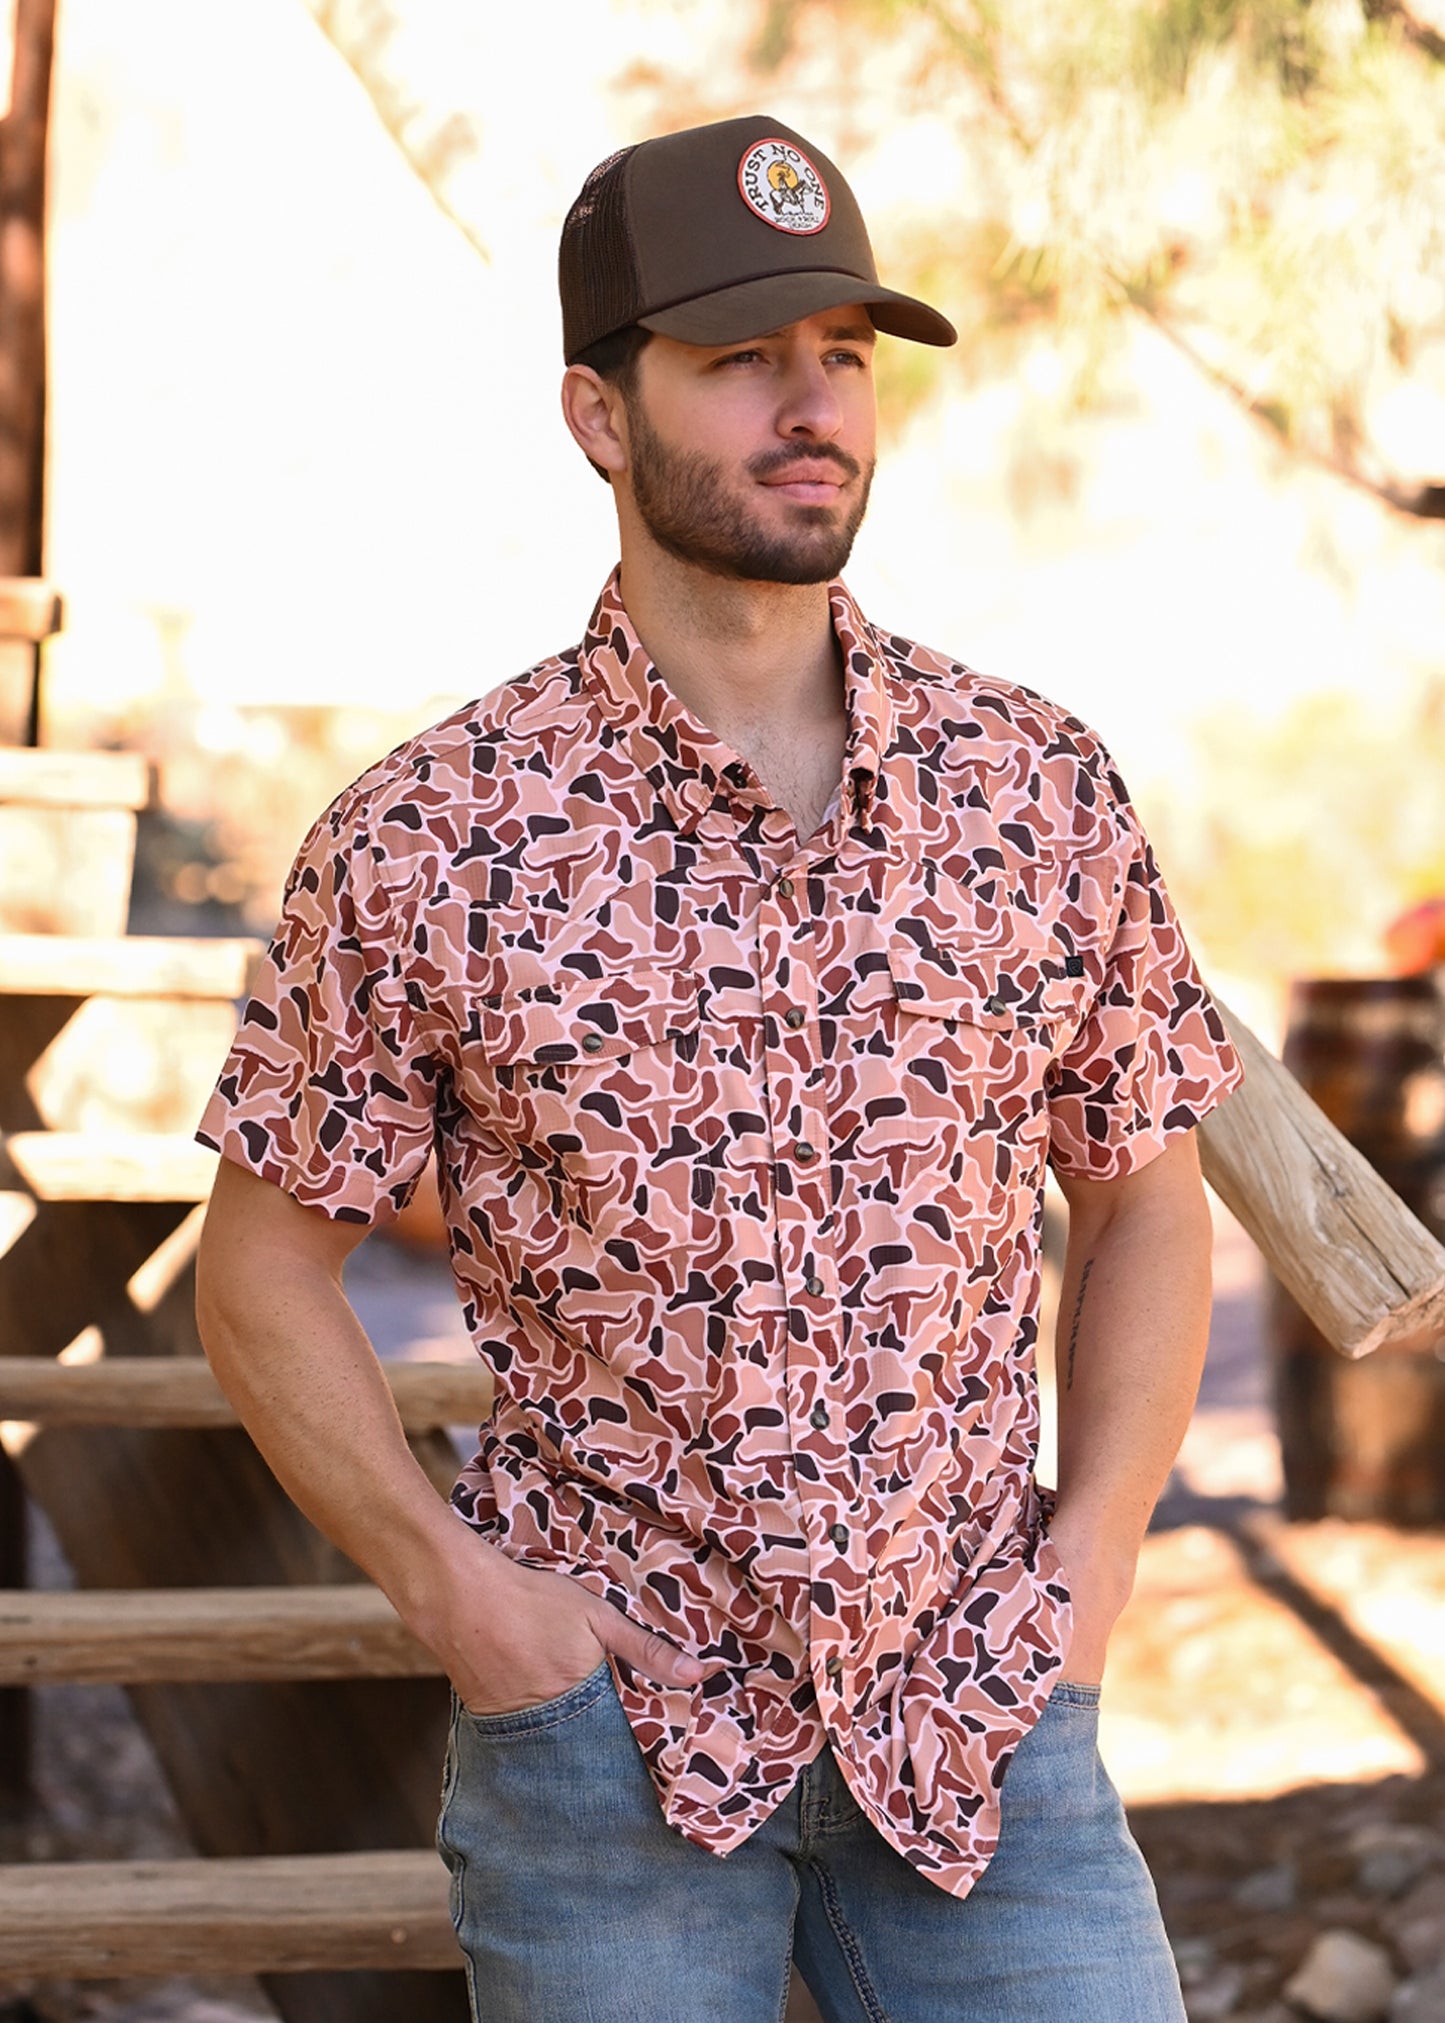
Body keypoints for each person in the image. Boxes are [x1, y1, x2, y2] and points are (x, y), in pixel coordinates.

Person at [195, 113, 1243, 2023]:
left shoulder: (1033, 789)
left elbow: (1143, 1189)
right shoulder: (430, 833)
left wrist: (1087, 1563)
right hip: (609, 1747)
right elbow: (259, 1272)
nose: (811, 403)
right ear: (601, 415)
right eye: (740, 355)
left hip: (985, 1716)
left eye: (842, 352)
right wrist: (461, 1602)